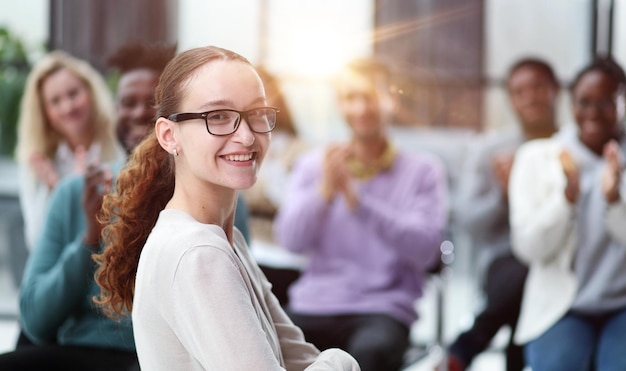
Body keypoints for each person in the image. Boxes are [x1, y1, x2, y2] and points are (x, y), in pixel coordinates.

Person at [93, 45, 359, 371]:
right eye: (217, 116)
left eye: (257, 113)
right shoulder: (199, 253)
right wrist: (342, 360)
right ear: (168, 135)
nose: (246, 137)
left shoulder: (227, 242)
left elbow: (298, 358)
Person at [0, 43, 177, 370]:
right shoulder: (71, 190)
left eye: (151, 102)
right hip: (76, 347)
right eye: (128, 102)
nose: (139, 112)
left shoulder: (211, 200)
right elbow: (35, 320)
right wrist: (89, 238)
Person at [274, 58, 448, 371]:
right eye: (350, 98)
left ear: (391, 100)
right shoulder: (315, 165)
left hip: (381, 309)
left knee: (368, 355)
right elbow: (291, 241)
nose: (360, 108)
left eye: (370, 96)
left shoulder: (423, 170)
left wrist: (359, 203)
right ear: (340, 104)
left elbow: (425, 251)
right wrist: (325, 192)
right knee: (267, 348)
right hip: (313, 303)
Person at [440, 58, 560, 371]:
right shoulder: (489, 152)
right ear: (511, 100)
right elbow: (469, 224)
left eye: (538, 88)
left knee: (537, 279)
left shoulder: (570, 147)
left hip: (562, 259)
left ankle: (465, 348)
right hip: (504, 262)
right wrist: (505, 194)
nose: (530, 97)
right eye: (520, 91)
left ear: (555, 91)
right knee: (526, 276)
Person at [509, 56, 626, 371]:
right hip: (562, 308)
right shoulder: (537, 158)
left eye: (606, 102)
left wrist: (615, 200)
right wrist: (566, 199)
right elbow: (528, 247)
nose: (593, 113)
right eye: (584, 102)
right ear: (570, 103)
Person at [15, 50, 125, 250]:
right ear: (44, 112)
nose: (67, 107)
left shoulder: (118, 143)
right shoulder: (38, 162)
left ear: (90, 93)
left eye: (73, 94)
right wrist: (57, 191)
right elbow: (36, 244)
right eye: (55, 101)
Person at [242, 66, 309, 306]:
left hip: (282, 257)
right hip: (242, 253)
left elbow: (291, 202)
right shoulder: (232, 146)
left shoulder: (298, 150)